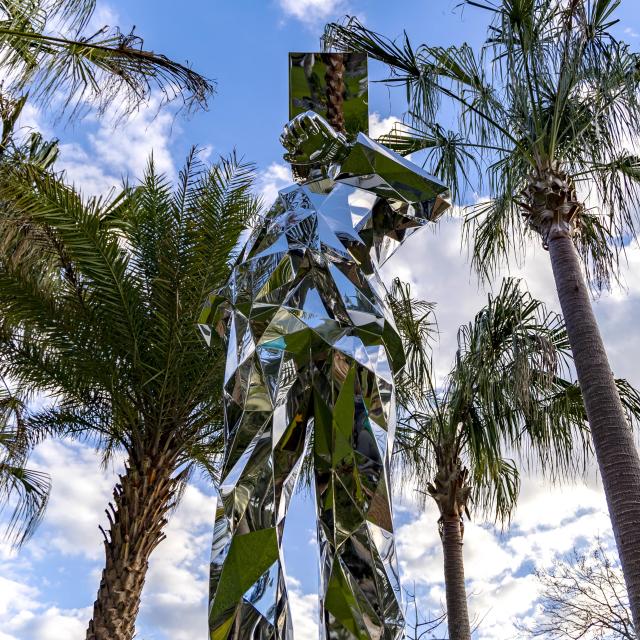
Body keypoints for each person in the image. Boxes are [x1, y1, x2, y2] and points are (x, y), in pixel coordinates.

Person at [199, 110, 449, 640]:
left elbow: (430, 196)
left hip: (351, 341)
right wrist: (221, 307)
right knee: (246, 498)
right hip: (267, 342)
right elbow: (235, 281)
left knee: (355, 503)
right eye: (294, 141)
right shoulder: (278, 208)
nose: (298, 144)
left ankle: (362, 631)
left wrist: (347, 146)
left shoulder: (361, 188)